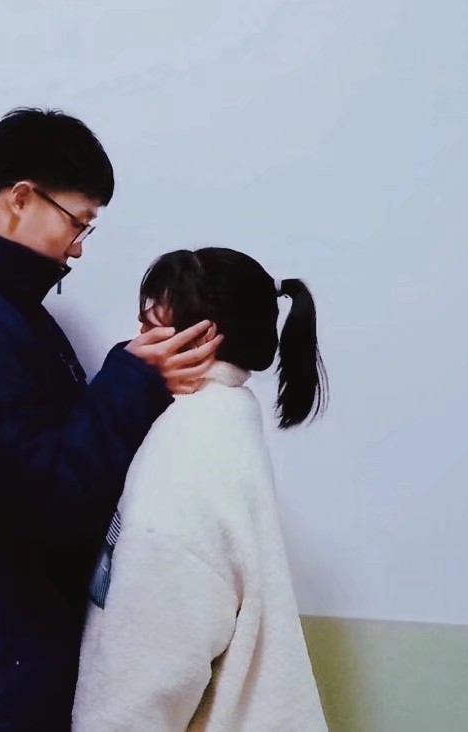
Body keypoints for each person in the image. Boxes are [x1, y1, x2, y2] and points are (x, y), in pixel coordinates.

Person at [0, 109, 222, 732]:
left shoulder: (1, 312)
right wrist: (134, 379)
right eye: (77, 222)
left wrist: (130, 373)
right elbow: (49, 497)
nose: (79, 246)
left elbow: (40, 456)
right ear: (21, 198)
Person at [73, 248, 331, 731]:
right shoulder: (227, 414)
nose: (135, 345)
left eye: (150, 328)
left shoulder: (183, 458)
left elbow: (141, 688)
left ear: (201, 339)